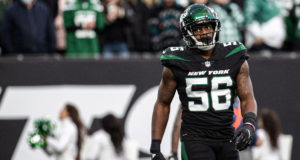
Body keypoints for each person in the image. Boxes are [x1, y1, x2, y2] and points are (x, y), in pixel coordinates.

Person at [150, 4, 257, 160]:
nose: (204, 33)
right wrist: (155, 148)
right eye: (198, 29)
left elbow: (247, 97)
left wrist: (249, 124)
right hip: (195, 138)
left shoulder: (234, 55)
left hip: (227, 136)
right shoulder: (177, 61)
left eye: (208, 27)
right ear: (187, 32)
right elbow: (163, 103)